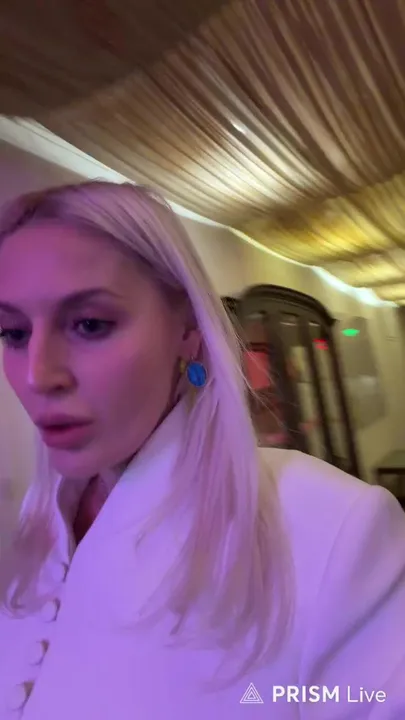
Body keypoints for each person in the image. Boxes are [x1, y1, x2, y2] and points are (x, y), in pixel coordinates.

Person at [0, 181, 403, 720]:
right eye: (12, 333)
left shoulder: (329, 526)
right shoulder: (39, 517)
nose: (36, 374)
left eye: (90, 324)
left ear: (188, 329)